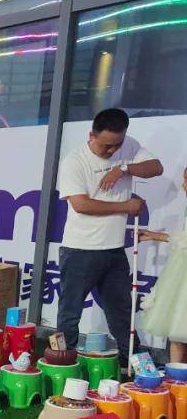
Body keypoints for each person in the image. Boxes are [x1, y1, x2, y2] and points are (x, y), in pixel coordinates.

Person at [56, 107, 163, 365]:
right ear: (91, 135)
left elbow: (156, 167)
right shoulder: (74, 161)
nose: (112, 150)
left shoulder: (127, 147)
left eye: (117, 145)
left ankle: (134, 365)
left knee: (122, 312)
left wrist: (123, 168)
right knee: (70, 313)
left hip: (114, 250)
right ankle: (63, 364)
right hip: (80, 249)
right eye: (106, 146)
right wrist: (126, 206)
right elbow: (81, 204)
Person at [138, 167, 187, 364]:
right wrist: (156, 235)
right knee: (177, 328)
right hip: (180, 270)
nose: (183, 186)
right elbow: (182, 238)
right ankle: (176, 376)